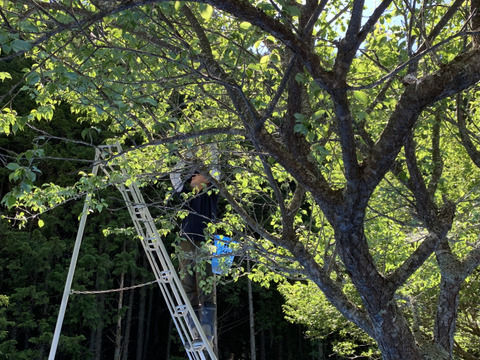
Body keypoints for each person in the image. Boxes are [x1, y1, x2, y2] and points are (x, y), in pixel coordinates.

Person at [170, 167, 219, 349]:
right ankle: (194, 331)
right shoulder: (185, 195)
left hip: (206, 242)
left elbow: (217, 170)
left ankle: (207, 331)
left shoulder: (212, 192)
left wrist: (212, 147)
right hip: (185, 243)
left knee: (205, 285)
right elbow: (174, 176)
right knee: (187, 286)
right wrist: (184, 158)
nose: (193, 176)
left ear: (206, 179)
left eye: (197, 173)